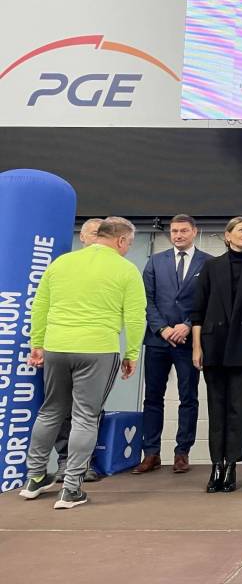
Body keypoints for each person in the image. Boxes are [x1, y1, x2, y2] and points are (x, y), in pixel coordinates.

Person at [19, 217, 145, 509]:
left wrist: (37, 344)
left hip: (56, 346)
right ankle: (71, 488)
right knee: (86, 416)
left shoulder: (61, 263)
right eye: (128, 243)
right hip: (98, 350)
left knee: (50, 411)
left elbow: (40, 306)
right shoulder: (126, 269)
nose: (127, 248)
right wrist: (132, 354)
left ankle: (34, 478)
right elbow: (136, 317)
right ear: (121, 240)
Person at [191, 217, 242, 493]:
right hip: (213, 343)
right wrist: (197, 347)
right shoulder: (211, 266)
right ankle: (216, 464)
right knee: (216, 407)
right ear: (228, 236)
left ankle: (232, 465)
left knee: (239, 408)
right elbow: (198, 310)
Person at [133, 214, 211, 475]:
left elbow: (210, 300)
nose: (178, 235)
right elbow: (146, 299)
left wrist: (188, 324)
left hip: (189, 341)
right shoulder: (156, 261)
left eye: (183, 231)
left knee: (188, 397)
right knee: (153, 397)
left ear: (194, 232)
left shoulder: (208, 262)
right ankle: (151, 453)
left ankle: (182, 452)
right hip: (158, 340)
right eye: (174, 231)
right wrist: (163, 328)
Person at [53, 217, 104, 484]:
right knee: (60, 408)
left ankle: (85, 462)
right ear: (82, 237)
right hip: (62, 346)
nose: (98, 238)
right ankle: (64, 461)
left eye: (102, 233)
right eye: (94, 233)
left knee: (90, 409)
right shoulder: (64, 265)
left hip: (96, 349)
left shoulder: (112, 268)